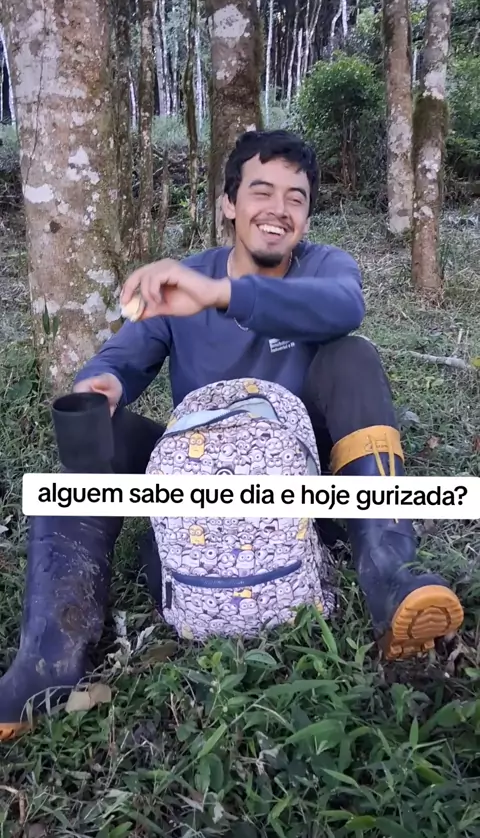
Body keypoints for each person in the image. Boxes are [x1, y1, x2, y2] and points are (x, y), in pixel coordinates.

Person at [0, 129, 463, 741]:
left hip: (307, 497)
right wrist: (104, 382)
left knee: (352, 357)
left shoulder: (325, 269)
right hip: (202, 488)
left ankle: (389, 572)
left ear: (307, 214)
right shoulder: (184, 279)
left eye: (295, 198)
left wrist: (220, 295)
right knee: (99, 436)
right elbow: (123, 356)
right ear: (229, 202)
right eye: (261, 191)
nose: (278, 209)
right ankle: (48, 657)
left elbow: (344, 308)